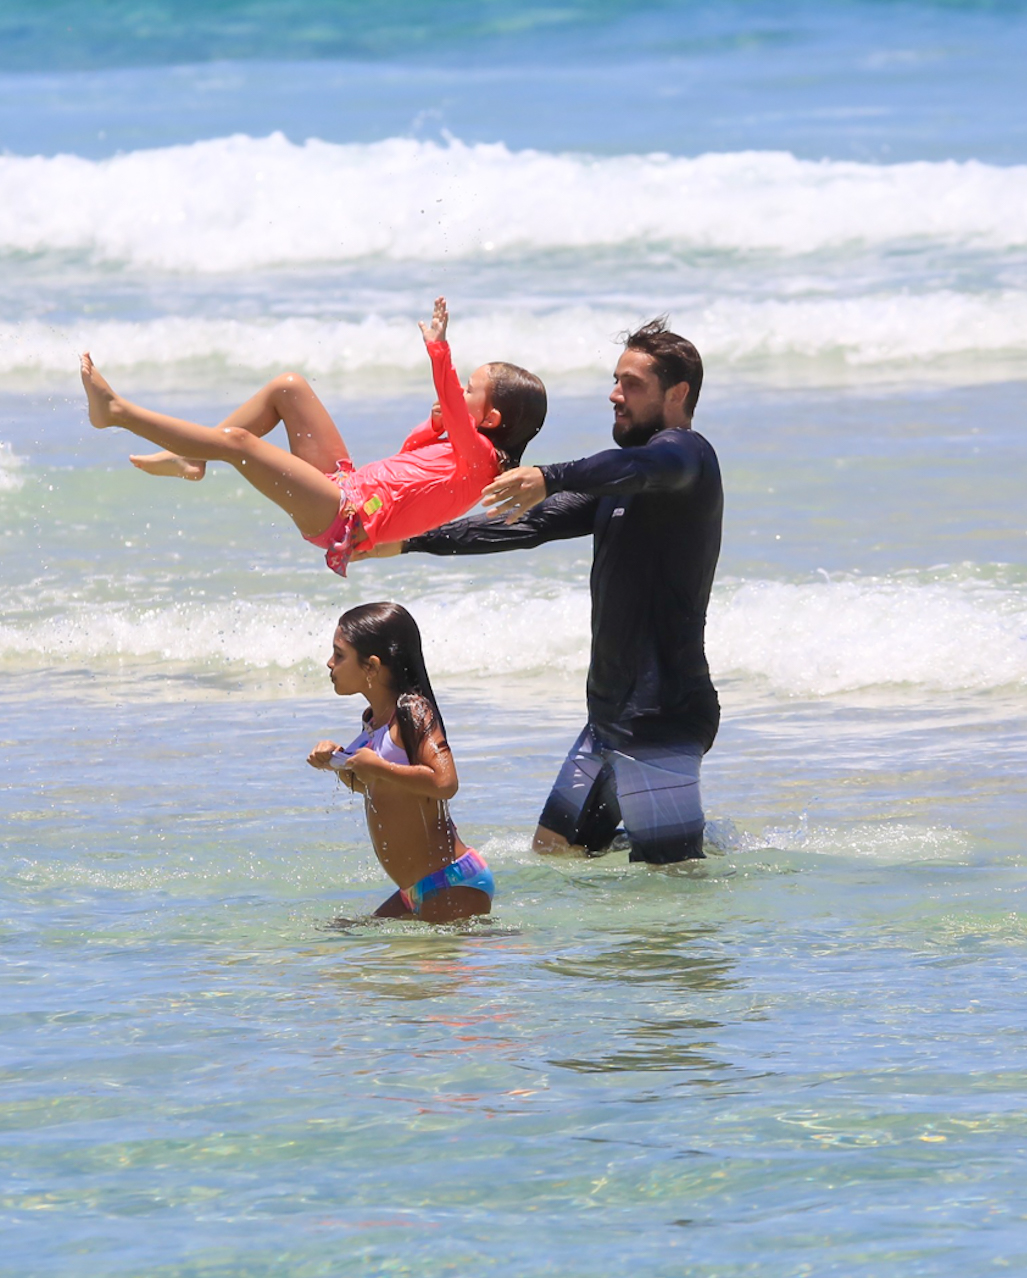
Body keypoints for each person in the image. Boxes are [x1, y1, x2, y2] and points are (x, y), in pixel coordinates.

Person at [368, 317, 722, 864]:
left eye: (632, 384)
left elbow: (642, 464)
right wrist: (408, 541)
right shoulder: (621, 484)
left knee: (672, 881)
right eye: (616, 379)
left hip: (661, 719)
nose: (614, 394)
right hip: (609, 718)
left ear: (677, 395)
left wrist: (550, 474)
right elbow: (529, 525)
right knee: (557, 851)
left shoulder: (685, 458)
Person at [78, 298, 545, 576]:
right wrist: (437, 425)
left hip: (345, 518)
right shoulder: (464, 447)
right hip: (345, 486)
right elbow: (408, 458)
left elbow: (453, 426)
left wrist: (438, 350)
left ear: (491, 418)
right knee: (289, 388)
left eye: (469, 390)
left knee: (240, 444)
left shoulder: (483, 460)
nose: (458, 392)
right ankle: (192, 460)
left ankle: (117, 413)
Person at [308, 602, 494, 920]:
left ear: (372, 667)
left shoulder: (414, 711)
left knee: (420, 965)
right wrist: (338, 762)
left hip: (451, 882)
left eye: (339, 655)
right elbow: (380, 788)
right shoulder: (374, 720)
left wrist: (377, 766)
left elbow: (445, 783)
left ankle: (517, 945)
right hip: (417, 891)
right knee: (351, 941)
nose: (329, 663)